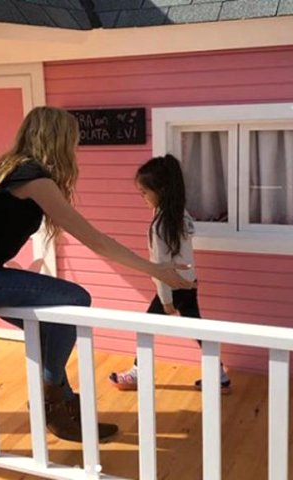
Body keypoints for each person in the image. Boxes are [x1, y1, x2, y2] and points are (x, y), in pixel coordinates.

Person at [0, 106, 193, 443]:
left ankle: (65, 407)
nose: (75, 148)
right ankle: (52, 403)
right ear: (58, 140)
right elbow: (95, 240)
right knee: (75, 299)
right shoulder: (33, 179)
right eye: (73, 141)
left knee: (51, 328)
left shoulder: (6, 171)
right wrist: (155, 270)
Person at [108, 154, 231, 394]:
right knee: (197, 329)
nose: (143, 198)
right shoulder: (180, 216)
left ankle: (138, 373)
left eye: (144, 192)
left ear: (161, 190)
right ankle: (220, 376)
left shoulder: (161, 225)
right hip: (188, 283)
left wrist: (165, 300)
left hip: (172, 287)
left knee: (146, 328)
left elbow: (160, 266)